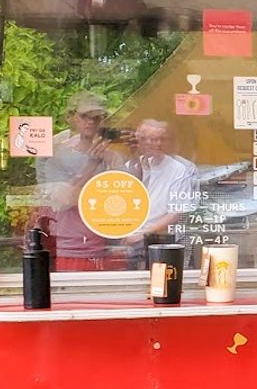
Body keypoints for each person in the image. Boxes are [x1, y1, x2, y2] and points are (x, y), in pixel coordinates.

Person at [35, 91, 126, 271]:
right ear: (71, 118)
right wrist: (91, 165)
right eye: (85, 116)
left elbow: (126, 199)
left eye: (97, 117)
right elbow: (63, 201)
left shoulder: (112, 156)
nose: (91, 122)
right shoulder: (57, 157)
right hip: (71, 248)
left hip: (107, 246)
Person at [130, 119, 200, 238]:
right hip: (130, 234)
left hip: (162, 238)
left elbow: (177, 212)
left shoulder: (182, 168)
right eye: (147, 139)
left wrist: (143, 234)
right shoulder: (131, 166)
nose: (155, 144)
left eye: (160, 139)